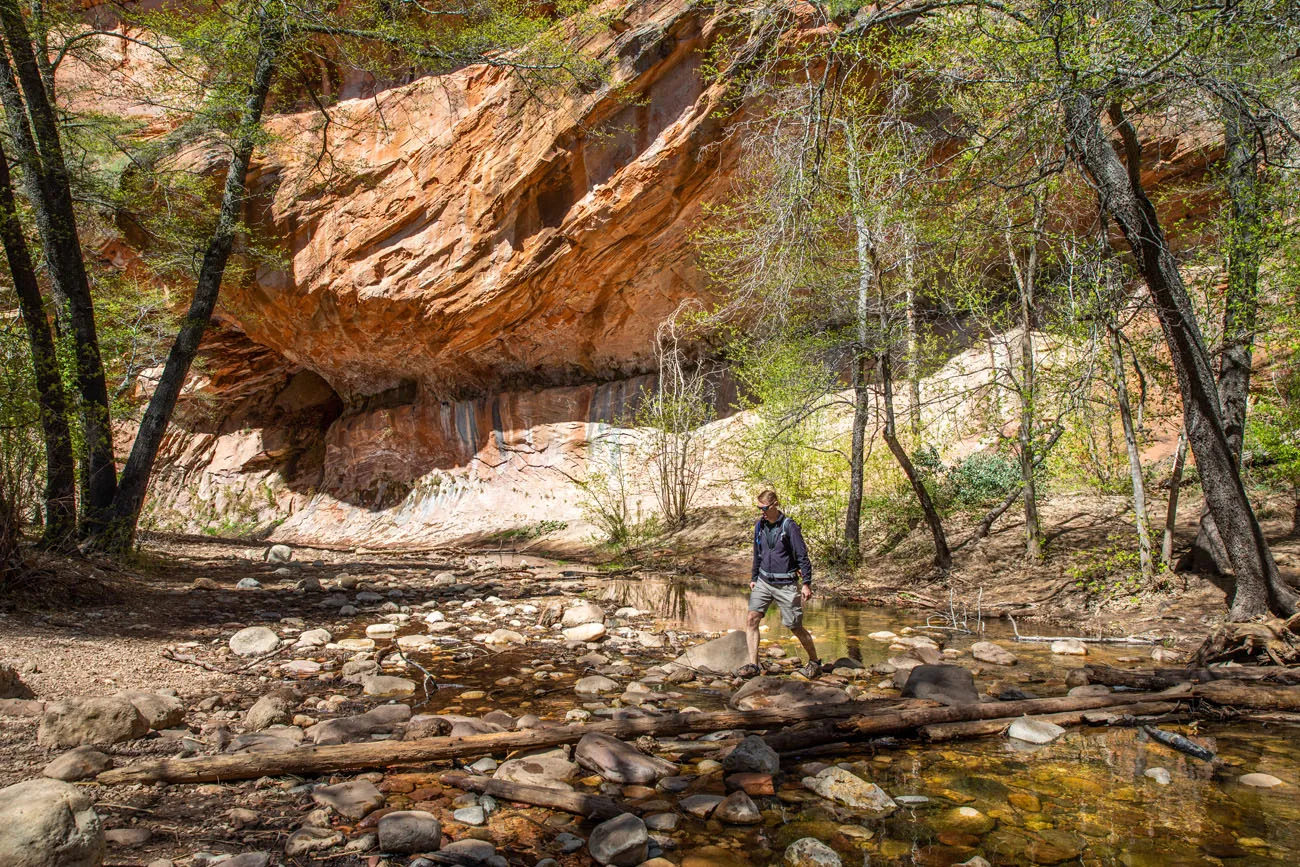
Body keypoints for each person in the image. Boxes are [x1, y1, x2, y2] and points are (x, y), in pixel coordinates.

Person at [736, 490, 822, 680]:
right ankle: (754, 665)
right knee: (752, 619)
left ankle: (815, 662)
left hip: (786, 584)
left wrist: (806, 583)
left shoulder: (789, 526)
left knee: (795, 626)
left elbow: (803, 556)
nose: (762, 512)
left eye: (764, 508)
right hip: (764, 581)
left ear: (775, 504)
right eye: (759, 508)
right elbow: (757, 553)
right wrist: (754, 576)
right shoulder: (760, 526)